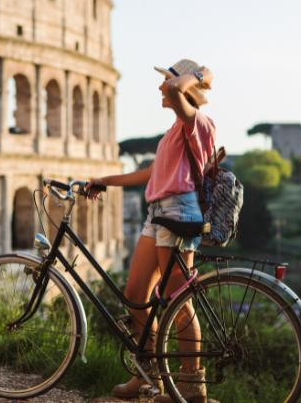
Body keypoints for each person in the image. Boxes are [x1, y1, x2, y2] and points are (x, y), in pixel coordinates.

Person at [86, 59, 215, 402]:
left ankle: (190, 386)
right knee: (136, 295)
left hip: (179, 214)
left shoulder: (198, 122)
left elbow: (175, 88)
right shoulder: (174, 131)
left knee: (178, 302)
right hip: (157, 214)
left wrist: (194, 77)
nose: (161, 87)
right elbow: (149, 174)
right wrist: (105, 181)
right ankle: (150, 374)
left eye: (166, 82)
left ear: (186, 88)